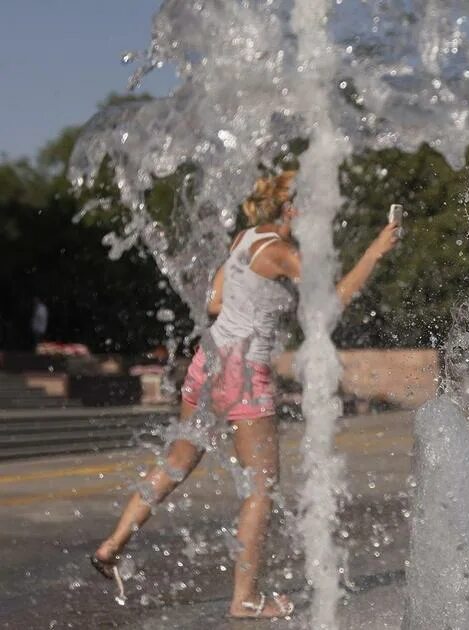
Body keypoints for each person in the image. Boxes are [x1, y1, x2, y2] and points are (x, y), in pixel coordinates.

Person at [90, 171, 401, 618]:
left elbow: (216, 300)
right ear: (291, 208)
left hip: (209, 360)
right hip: (243, 371)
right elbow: (331, 304)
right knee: (261, 487)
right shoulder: (281, 252)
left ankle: (111, 545)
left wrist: (256, 302)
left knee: (177, 462)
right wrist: (375, 251)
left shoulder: (247, 238)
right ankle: (246, 598)